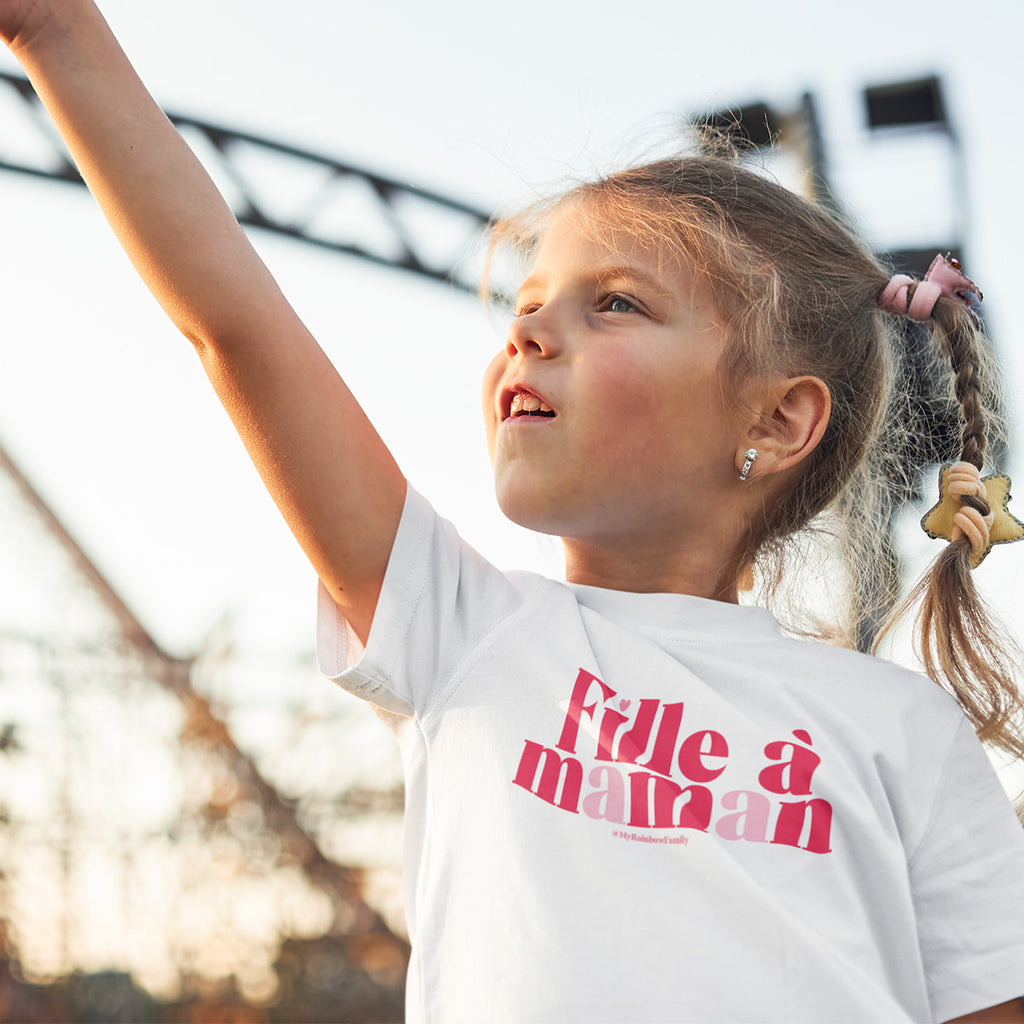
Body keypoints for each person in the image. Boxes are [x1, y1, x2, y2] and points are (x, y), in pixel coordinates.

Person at [3, 2, 1024, 1021]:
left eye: (612, 302)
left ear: (775, 417)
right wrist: (57, 34)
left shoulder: (903, 729)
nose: (529, 325)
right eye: (527, 298)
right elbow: (238, 325)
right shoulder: (461, 628)